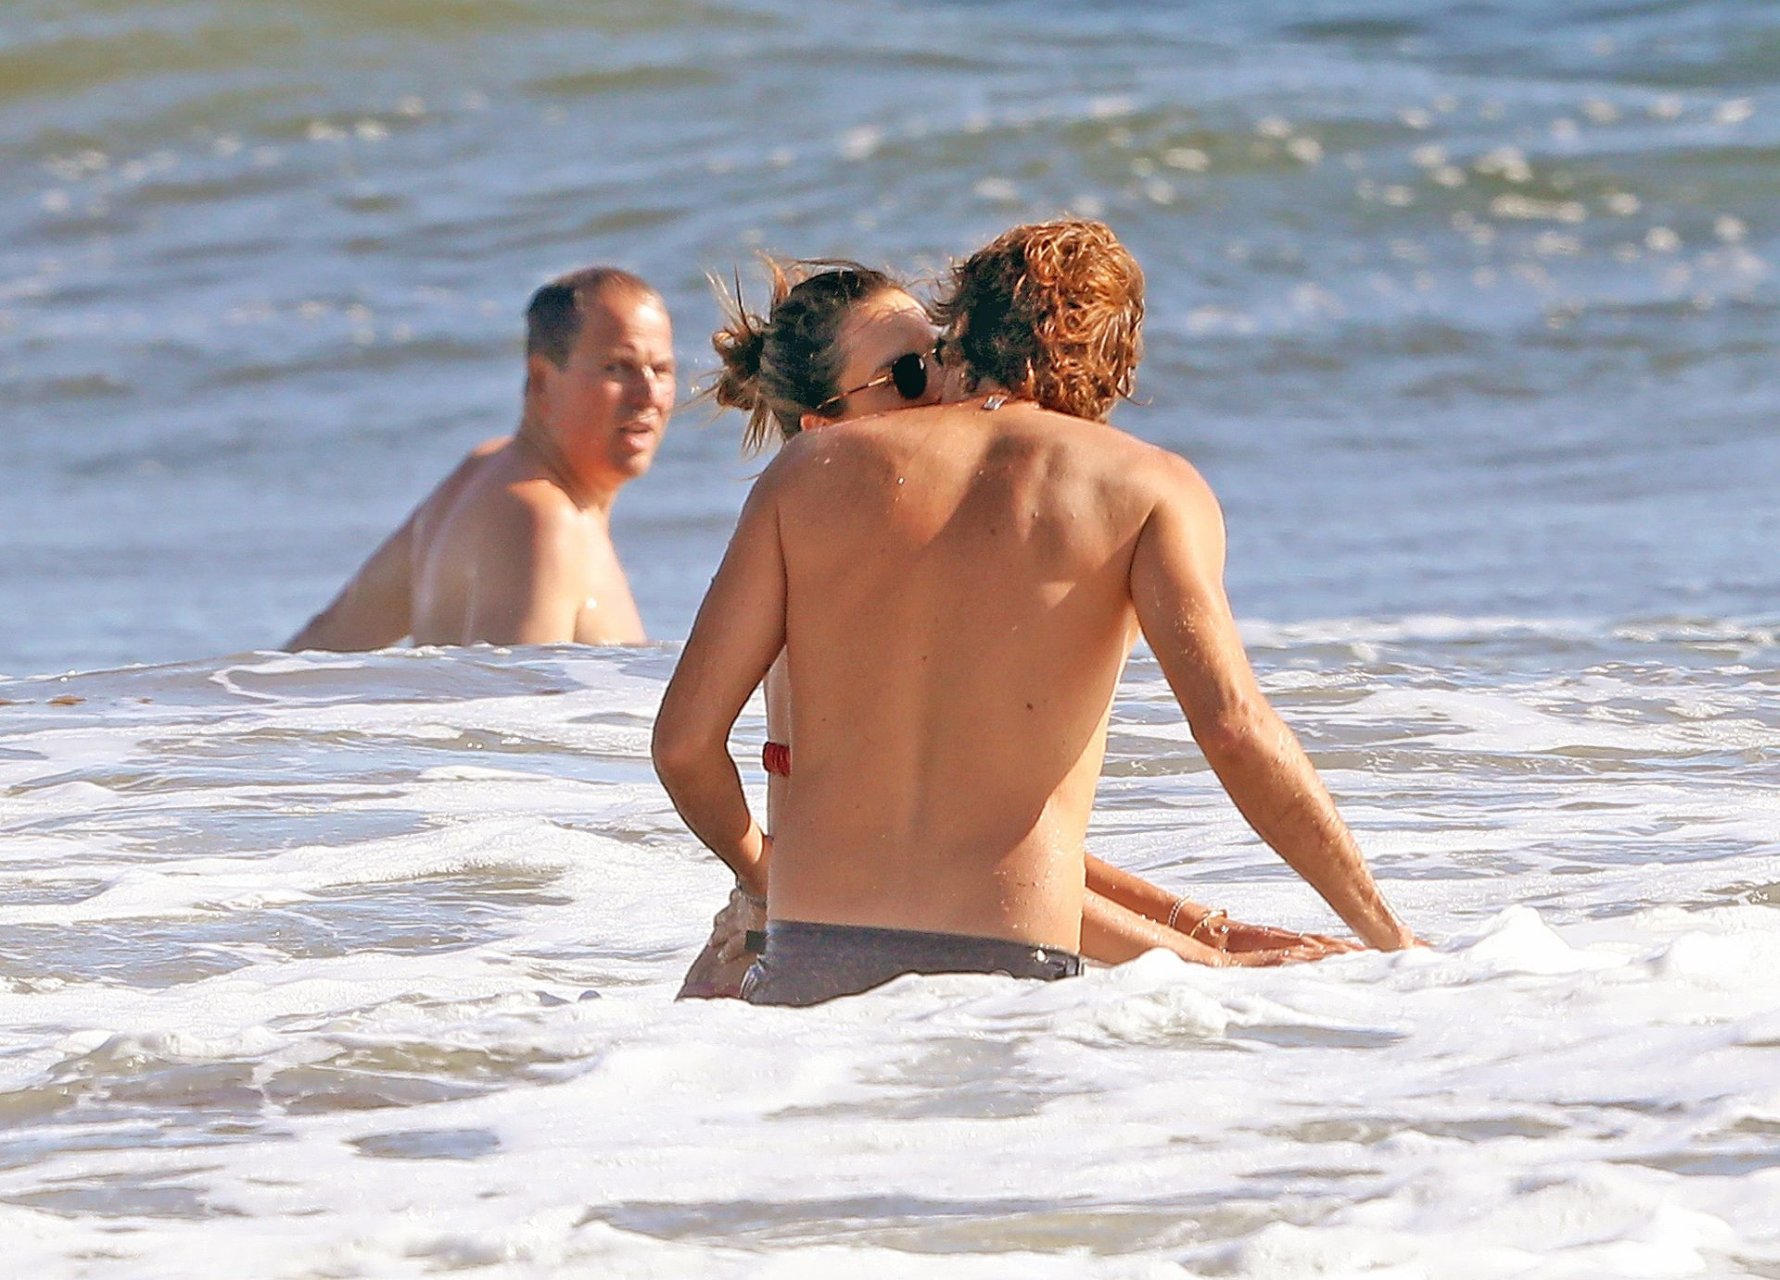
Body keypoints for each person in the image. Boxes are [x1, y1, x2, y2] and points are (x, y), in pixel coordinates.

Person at [657, 229, 1400, 1006]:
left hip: (806, 957)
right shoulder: (1146, 487)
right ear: (1115, 368)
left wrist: (1210, 936)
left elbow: (684, 746)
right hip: (1012, 977)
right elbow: (1234, 731)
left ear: (965, 330)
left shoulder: (804, 474)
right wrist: (1393, 945)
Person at [285, 267, 675, 651]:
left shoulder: (484, 475)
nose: (648, 395)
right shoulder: (541, 518)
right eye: (617, 368)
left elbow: (321, 645)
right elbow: (515, 693)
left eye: (661, 370)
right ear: (542, 379)